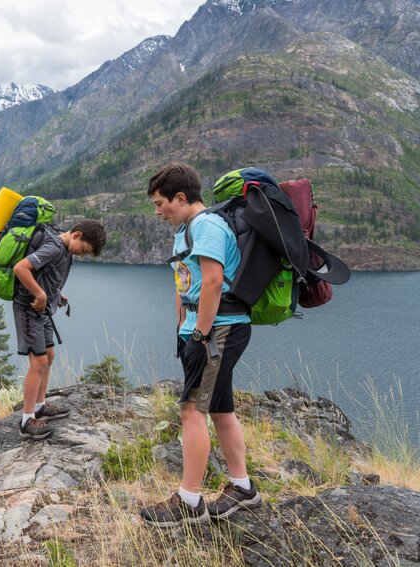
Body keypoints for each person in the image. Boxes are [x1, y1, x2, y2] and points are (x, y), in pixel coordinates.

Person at [140, 162, 261, 527]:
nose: (157, 211)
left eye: (161, 203)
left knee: (192, 411)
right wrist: (183, 327)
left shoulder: (206, 225)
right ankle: (243, 488)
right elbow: (185, 281)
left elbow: (212, 282)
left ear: (181, 197)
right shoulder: (186, 229)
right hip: (204, 329)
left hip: (218, 331)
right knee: (221, 409)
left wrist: (201, 334)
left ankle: (189, 501)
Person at [14, 219, 107, 440]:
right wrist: (41, 294)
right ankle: (27, 420)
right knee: (38, 362)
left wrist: (55, 293)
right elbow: (21, 268)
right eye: (84, 250)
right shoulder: (54, 247)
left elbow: (48, 275)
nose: (82, 255)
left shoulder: (65, 250)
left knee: (49, 355)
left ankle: (39, 406)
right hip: (29, 307)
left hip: (44, 310)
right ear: (76, 235)